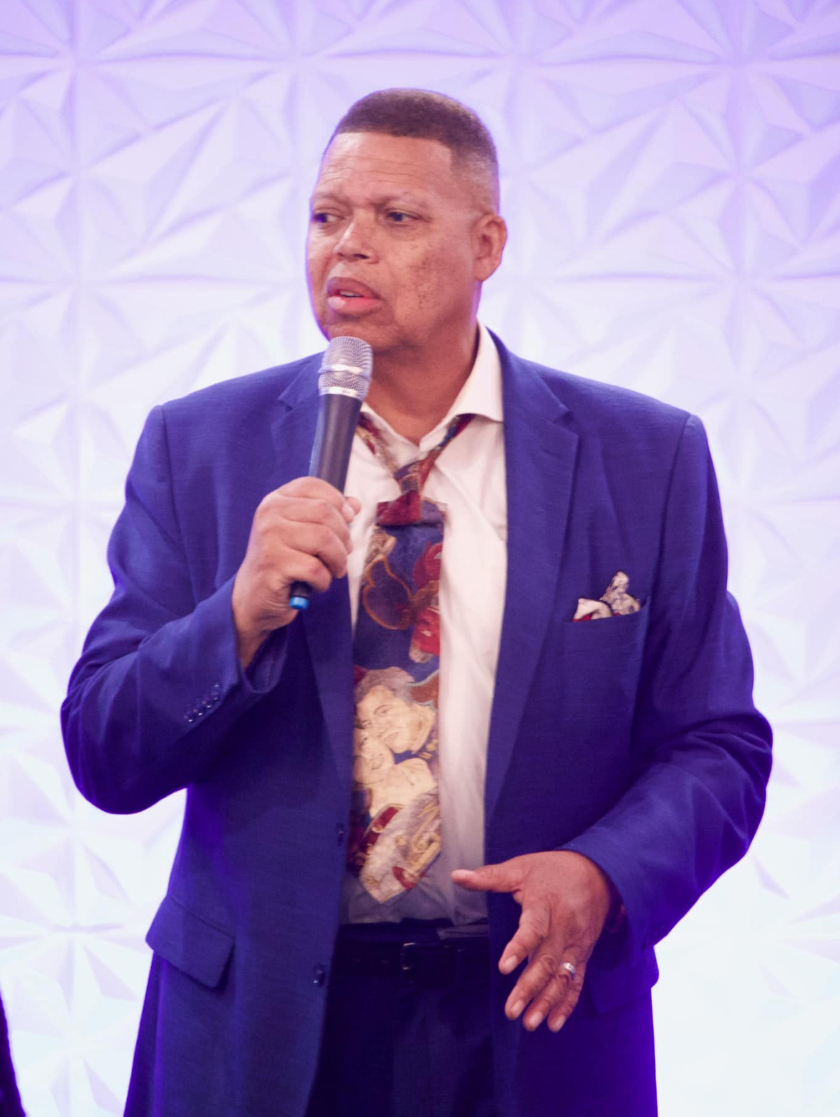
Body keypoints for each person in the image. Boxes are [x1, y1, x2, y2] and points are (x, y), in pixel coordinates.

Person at [61, 89, 772, 1117]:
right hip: (263, 1025)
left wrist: (604, 875)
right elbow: (104, 753)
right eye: (324, 216)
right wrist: (239, 613)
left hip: (535, 1015)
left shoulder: (645, 454)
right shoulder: (198, 446)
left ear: (487, 244)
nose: (347, 247)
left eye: (396, 218)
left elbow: (718, 744)